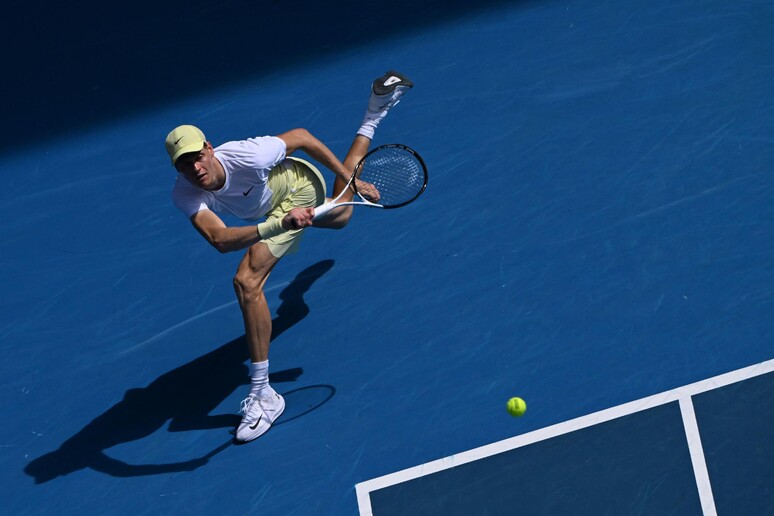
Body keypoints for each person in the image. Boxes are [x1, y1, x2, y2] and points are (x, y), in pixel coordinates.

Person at [164, 71, 413, 443]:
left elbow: (302, 137)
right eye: (184, 164)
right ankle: (374, 112)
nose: (195, 168)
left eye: (197, 157)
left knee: (247, 281)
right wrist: (278, 224)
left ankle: (263, 394)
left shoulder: (250, 155)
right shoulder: (185, 194)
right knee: (342, 216)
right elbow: (219, 239)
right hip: (274, 212)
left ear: (210, 148)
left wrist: (351, 178)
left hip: (299, 187)